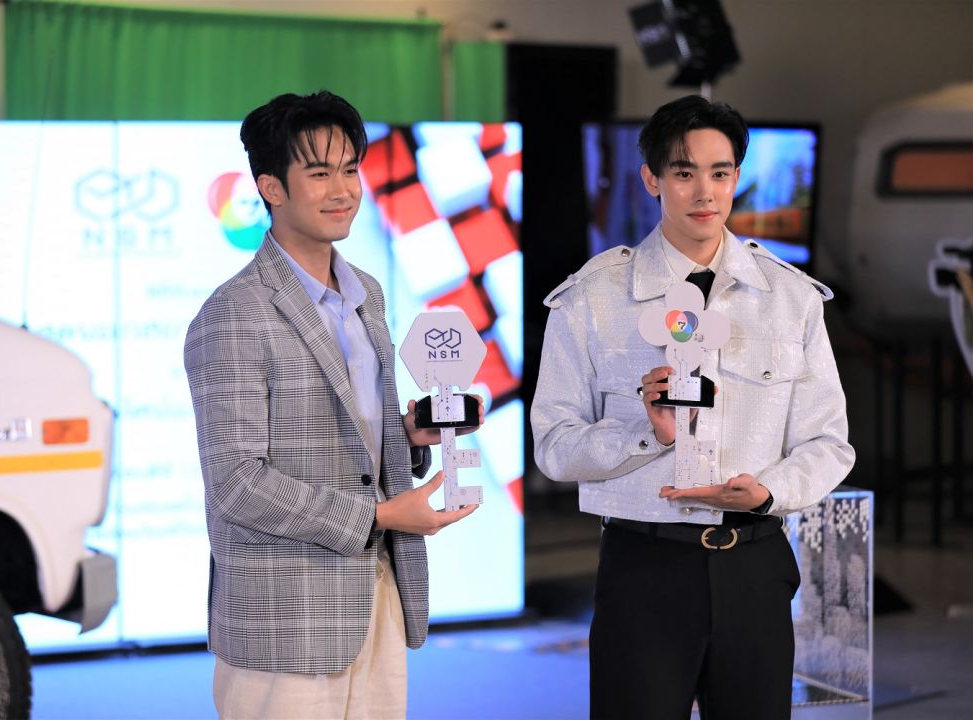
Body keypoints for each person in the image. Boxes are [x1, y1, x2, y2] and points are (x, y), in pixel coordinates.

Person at [531, 95, 855, 720]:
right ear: (651, 178)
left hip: (755, 564)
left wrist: (767, 491)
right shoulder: (593, 299)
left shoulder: (790, 298)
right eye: (684, 172)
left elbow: (829, 442)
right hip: (644, 566)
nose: (704, 192)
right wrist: (647, 434)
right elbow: (554, 446)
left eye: (720, 173)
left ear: (736, 178)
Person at [184, 90, 479, 719]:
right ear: (271, 187)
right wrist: (381, 515)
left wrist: (408, 435)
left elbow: (353, 442)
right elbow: (237, 483)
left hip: (377, 597)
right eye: (319, 173)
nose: (343, 190)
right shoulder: (234, 313)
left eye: (350, 169)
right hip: (283, 623)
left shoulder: (365, 293)